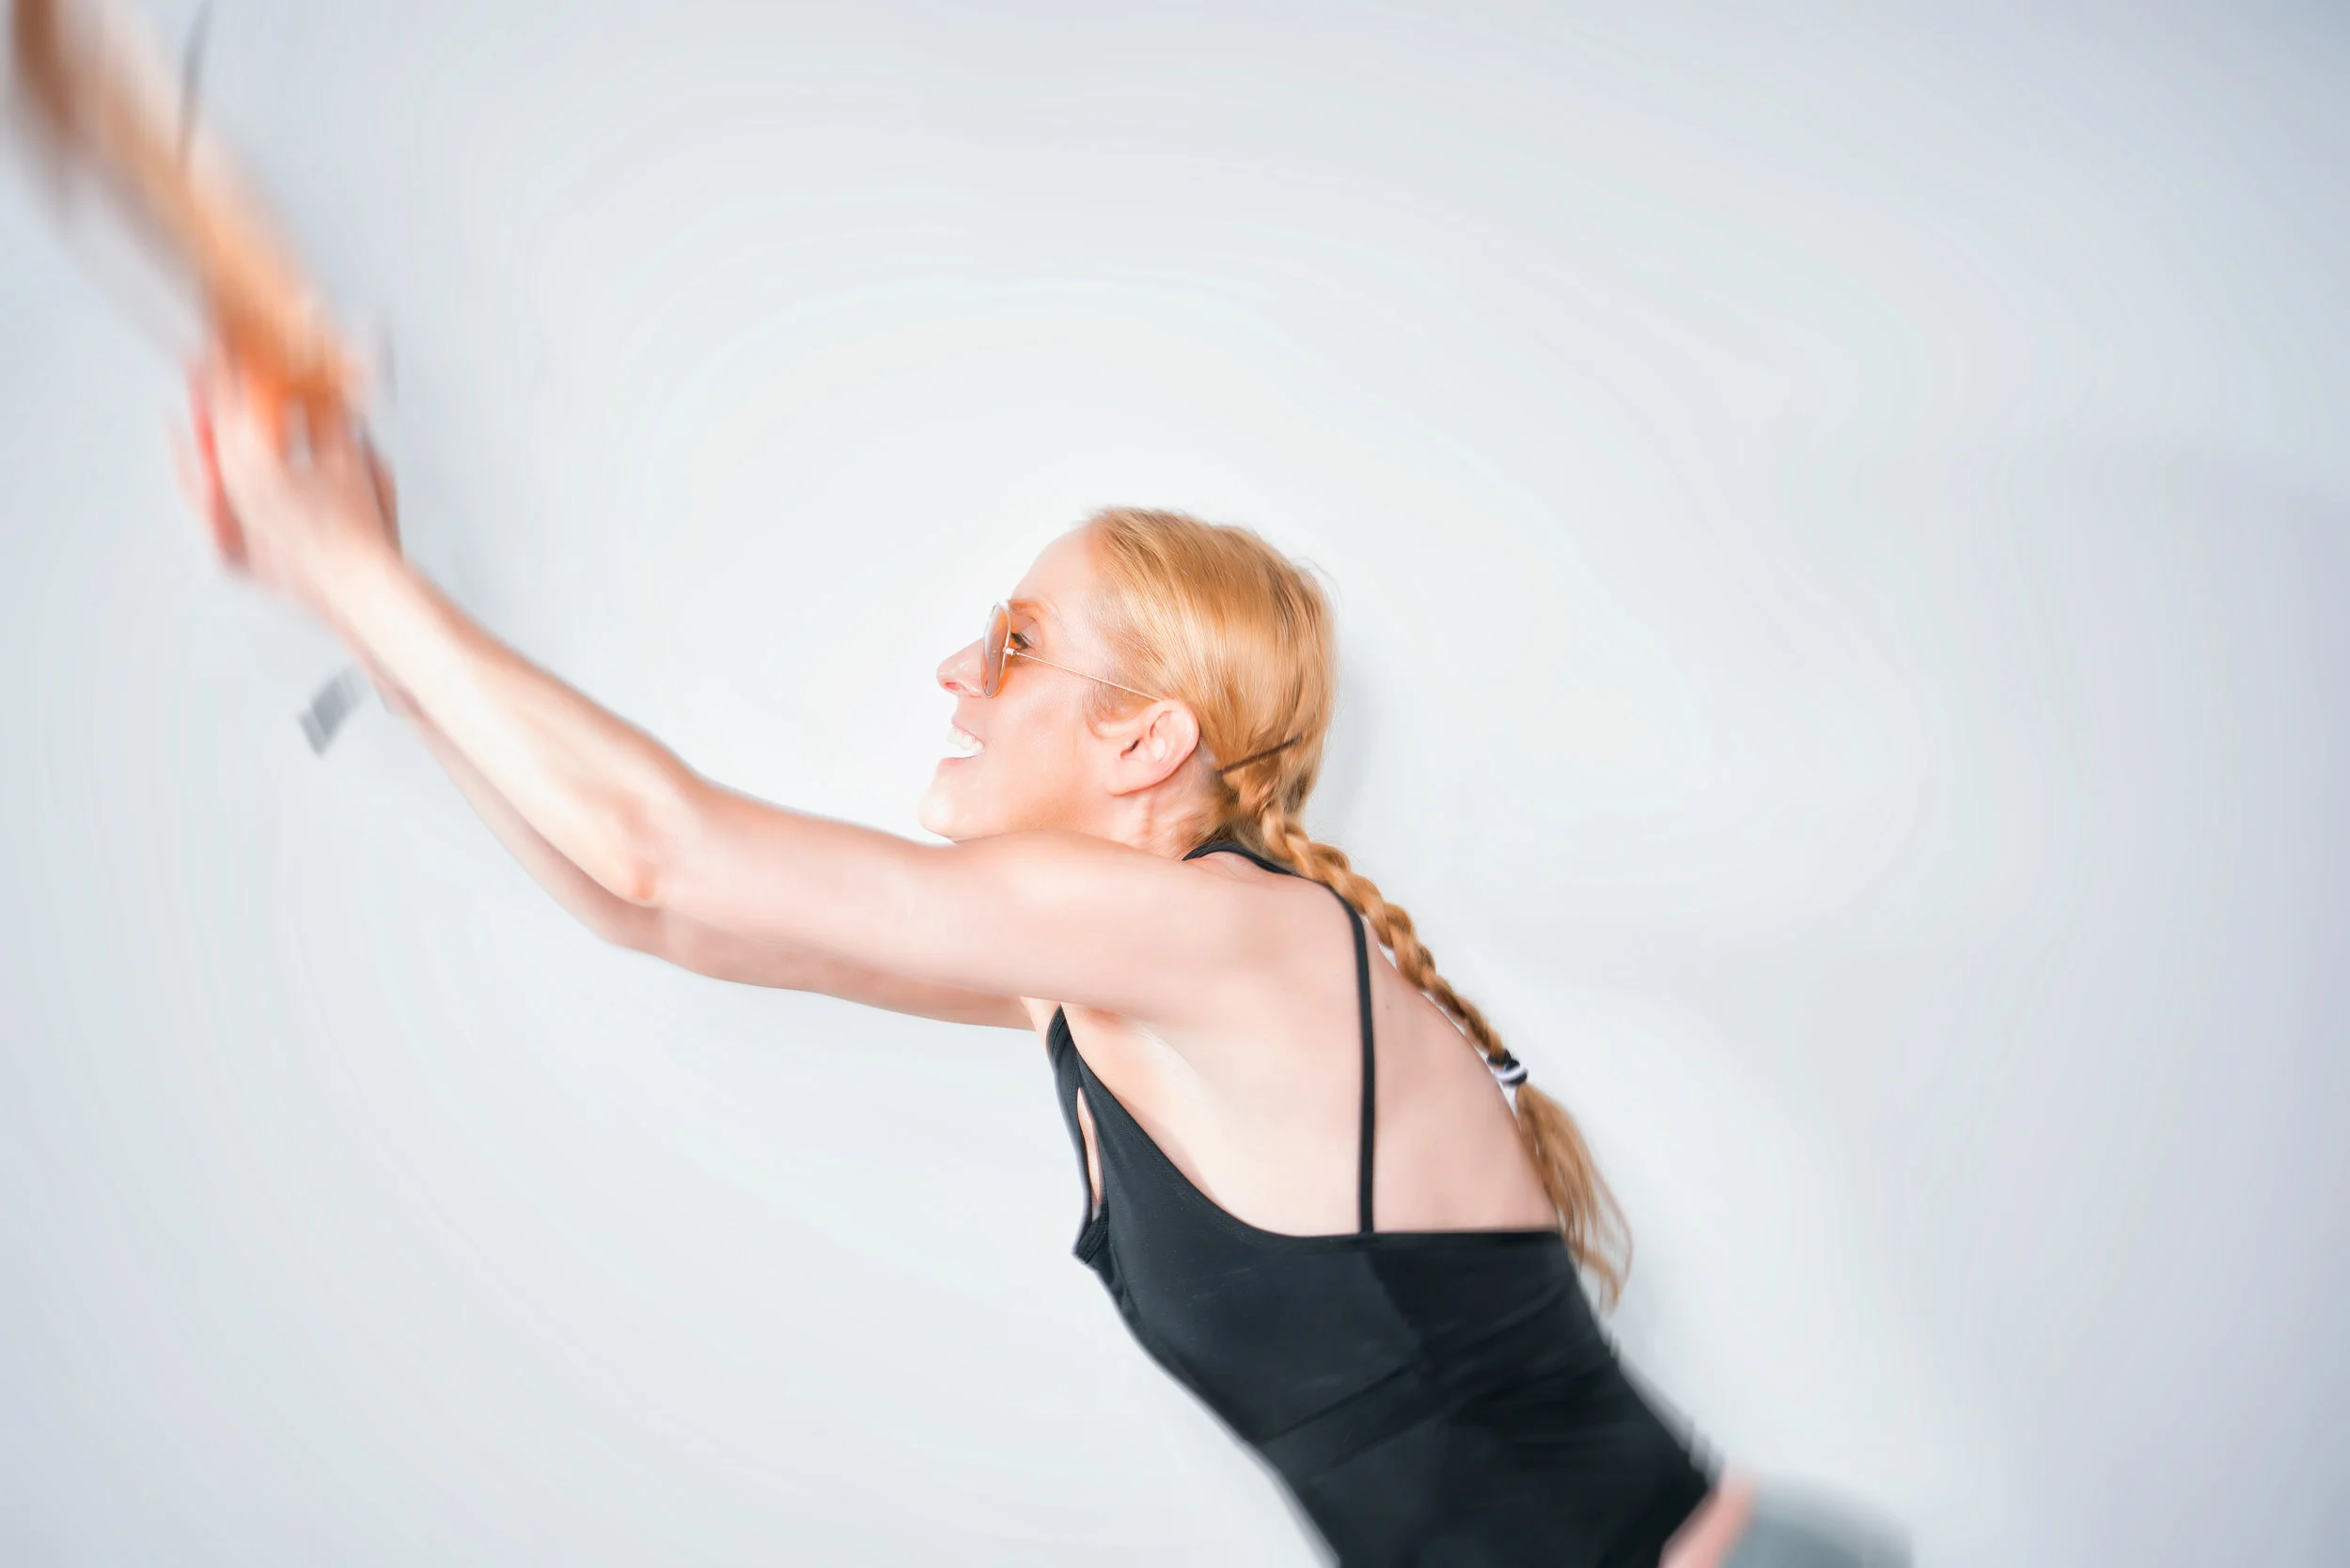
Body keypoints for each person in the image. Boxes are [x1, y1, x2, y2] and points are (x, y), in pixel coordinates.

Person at [170, 361, 1909, 1568]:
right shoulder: (1115, 981)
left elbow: (663, 849)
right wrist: (379, 639)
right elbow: (654, 908)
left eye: (1014, 643)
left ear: (1147, 739)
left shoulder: (1231, 933)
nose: (957, 672)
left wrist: (357, 565)